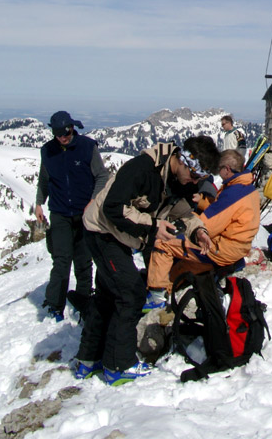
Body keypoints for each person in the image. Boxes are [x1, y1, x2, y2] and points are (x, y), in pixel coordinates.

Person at [75, 135, 219, 385]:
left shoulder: (178, 180)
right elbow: (113, 207)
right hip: (102, 231)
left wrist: (198, 231)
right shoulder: (142, 169)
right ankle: (118, 365)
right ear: (182, 159)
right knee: (130, 293)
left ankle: (90, 359)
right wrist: (152, 226)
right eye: (194, 175)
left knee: (108, 295)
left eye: (200, 178)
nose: (194, 182)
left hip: (119, 235)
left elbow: (183, 212)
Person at [145, 149, 260, 302]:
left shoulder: (233, 193)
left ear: (226, 169)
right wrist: (203, 202)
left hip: (221, 249)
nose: (218, 172)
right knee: (181, 268)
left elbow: (207, 226)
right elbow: (226, 211)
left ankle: (156, 296)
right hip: (237, 248)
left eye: (219, 168)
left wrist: (187, 218)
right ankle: (170, 286)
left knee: (163, 243)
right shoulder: (246, 187)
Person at [35, 110, 109, 322]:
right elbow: (44, 179)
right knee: (61, 260)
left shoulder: (87, 147)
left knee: (83, 260)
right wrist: (39, 203)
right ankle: (54, 304)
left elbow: (102, 175)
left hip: (84, 212)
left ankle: (83, 301)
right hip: (59, 213)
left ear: (72, 128)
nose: (63, 137)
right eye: (58, 134)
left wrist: (93, 201)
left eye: (66, 132)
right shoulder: (47, 151)